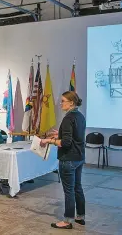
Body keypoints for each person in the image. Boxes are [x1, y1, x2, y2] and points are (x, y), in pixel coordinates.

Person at [40, 91, 86, 229]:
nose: (60, 103)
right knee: (77, 187)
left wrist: (49, 140)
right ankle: (80, 217)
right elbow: (75, 137)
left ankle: (67, 220)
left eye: (63, 101)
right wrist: (59, 133)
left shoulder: (68, 118)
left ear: (71, 102)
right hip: (79, 158)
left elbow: (66, 143)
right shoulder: (80, 116)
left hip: (68, 159)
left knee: (69, 191)